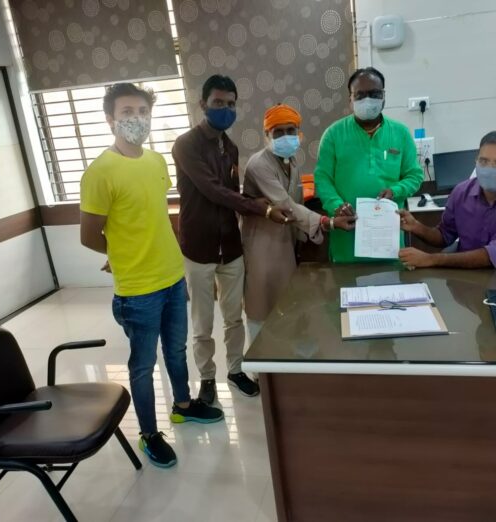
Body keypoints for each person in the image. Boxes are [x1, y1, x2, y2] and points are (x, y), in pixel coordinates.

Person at [79, 83, 224, 469]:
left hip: (172, 277)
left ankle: (183, 406)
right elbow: (89, 236)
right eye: (127, 112)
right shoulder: (100, 172)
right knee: (143, 365)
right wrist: (119, 256)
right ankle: (148, 433)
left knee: (176, 350)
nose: (137, 119)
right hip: (138, 290)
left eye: (143, 111)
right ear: (110, 119)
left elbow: (156, 217)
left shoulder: (157, 161)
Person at [173, 75, 290, 405]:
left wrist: (258, 203)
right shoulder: (186, 144)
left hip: (231, 245)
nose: (225, 109)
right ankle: (207, 377)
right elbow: (213, 190)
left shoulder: (231, 147)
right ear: (203, 104)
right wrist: (262, 209)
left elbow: (231, 193)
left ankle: (236, 370)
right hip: (198, 247)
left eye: (230, 104)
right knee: (202, 322)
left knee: (234, 317)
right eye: (218, 103)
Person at [242, 104, 356, 342]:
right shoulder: (259, 164)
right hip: (262, 243)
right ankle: (258, 359)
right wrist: (327, 222)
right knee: (261, 302)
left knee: (286, 301)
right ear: (267, 135)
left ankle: (286, 353)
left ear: (299, 133)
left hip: (286, 240)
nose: (285, 136)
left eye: (290, 130)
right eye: (278, 132)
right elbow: (286, 205)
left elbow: (297, 200)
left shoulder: (290, 161)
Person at [314, 66, 424, 263]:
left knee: (390, 281)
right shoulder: (333, 134)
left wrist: (395, 191)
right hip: (347, 236)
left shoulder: (400, 133)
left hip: (388, 238)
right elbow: (323, 179)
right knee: (346, 281)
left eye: (374, 94)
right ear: (350, 99)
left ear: (384, 97)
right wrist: (337, 206)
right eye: (360, 95)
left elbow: (414, 175)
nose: (368, 100)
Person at [398, 130, 496, 269]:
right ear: (476, 160)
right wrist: (416, 227)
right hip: (465, 273)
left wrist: (431, 259)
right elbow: (444, 236)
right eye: (483, 161)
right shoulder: (461, 192)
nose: (489, 168)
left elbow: (494, 255)